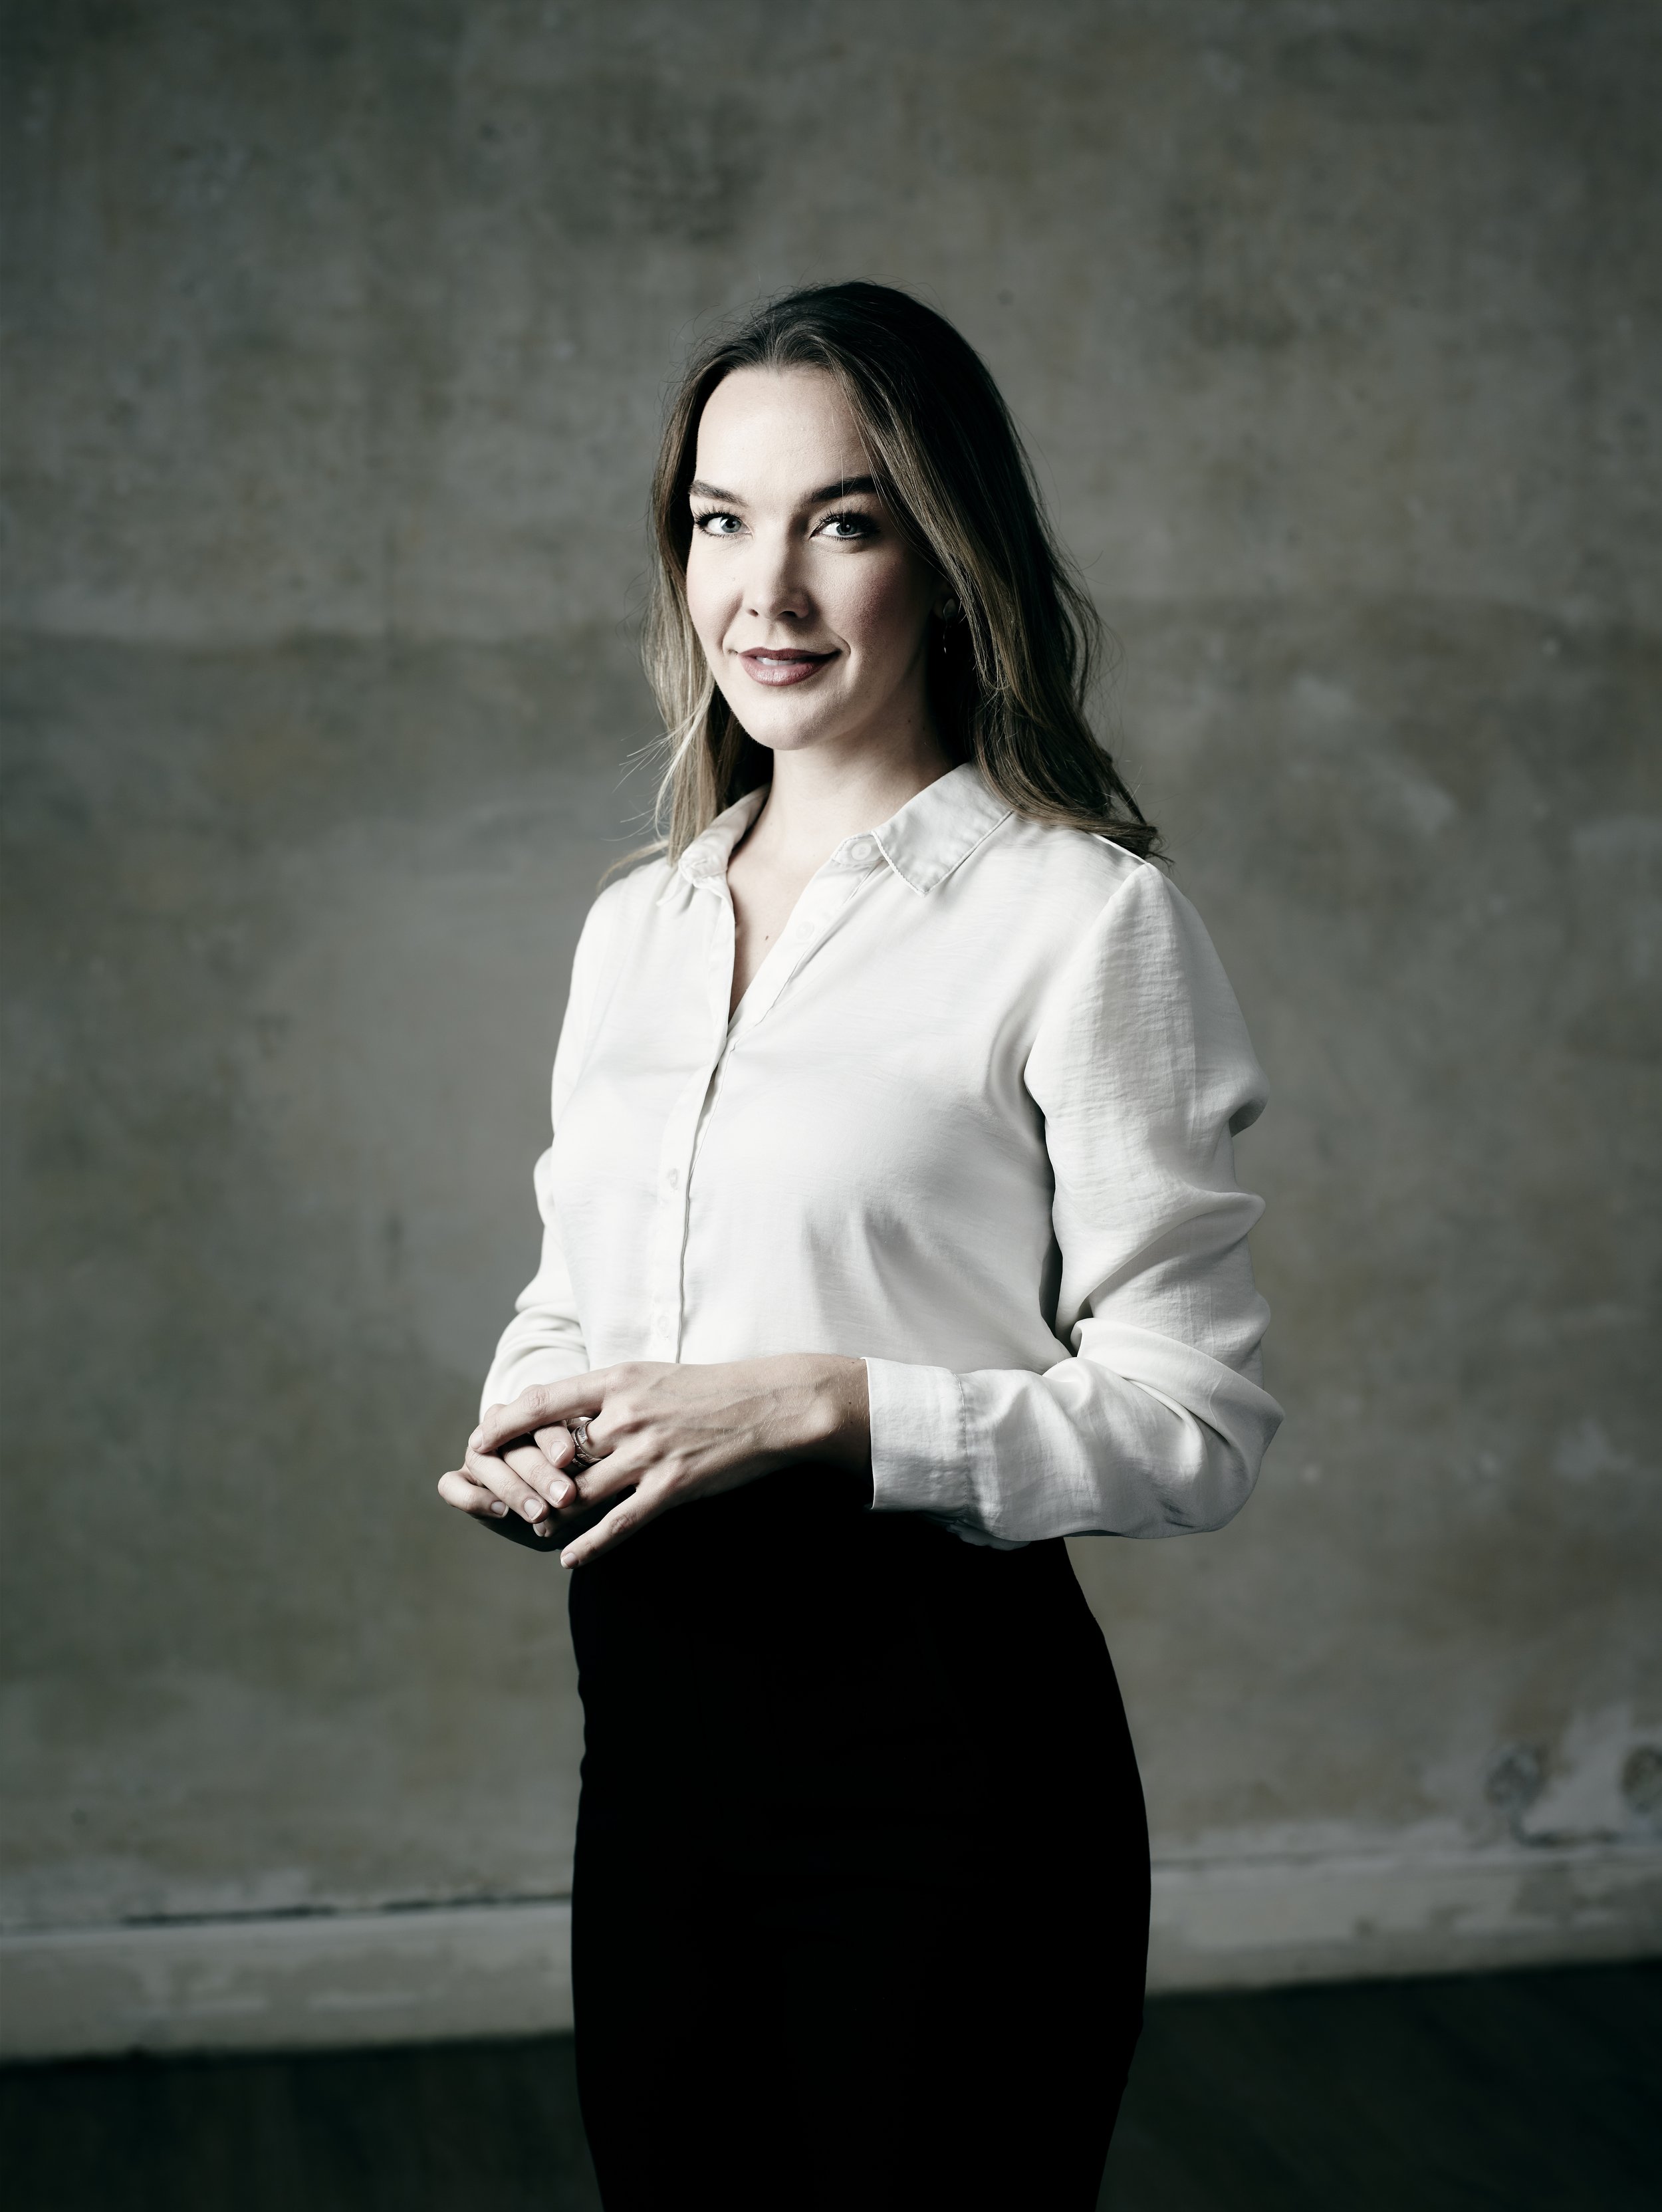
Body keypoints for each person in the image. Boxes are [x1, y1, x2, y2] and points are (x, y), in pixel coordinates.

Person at [439, 281, 1280, 2211]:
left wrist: (834, 1409)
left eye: (844, 519)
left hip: (947, 1768)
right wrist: (528, 1417)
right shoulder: (633, 923)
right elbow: (577, 1284)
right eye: (720, 522)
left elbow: (1192, 1425)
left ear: (942, 549)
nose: (769, 592)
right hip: (648, 1757)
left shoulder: (1080, 921)